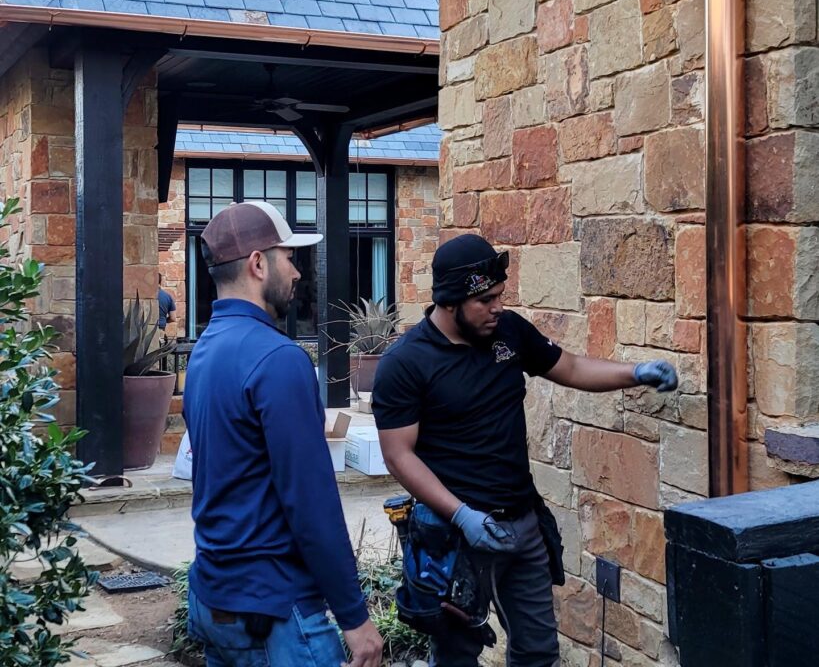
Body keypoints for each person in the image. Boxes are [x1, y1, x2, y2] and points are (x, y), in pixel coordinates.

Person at [373, 234, 678, 667]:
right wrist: (462, 515)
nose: (497, 307)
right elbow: (398, 455)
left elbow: (569, 367)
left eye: (500, 296)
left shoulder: (509, 331)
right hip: (457, 537)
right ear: (449, 301)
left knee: (537, 652)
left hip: (521, 523)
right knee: (457, 655)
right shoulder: (405, 363)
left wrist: (636, 373)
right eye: (485, 300)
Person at [183, 200, 382, 667]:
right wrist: (355, 619)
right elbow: (311, 501)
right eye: (289, 257)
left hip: (215, 597)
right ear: (258, 264)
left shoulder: (203, 354)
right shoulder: (279, 359)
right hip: (274, 612)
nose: (296, 273)